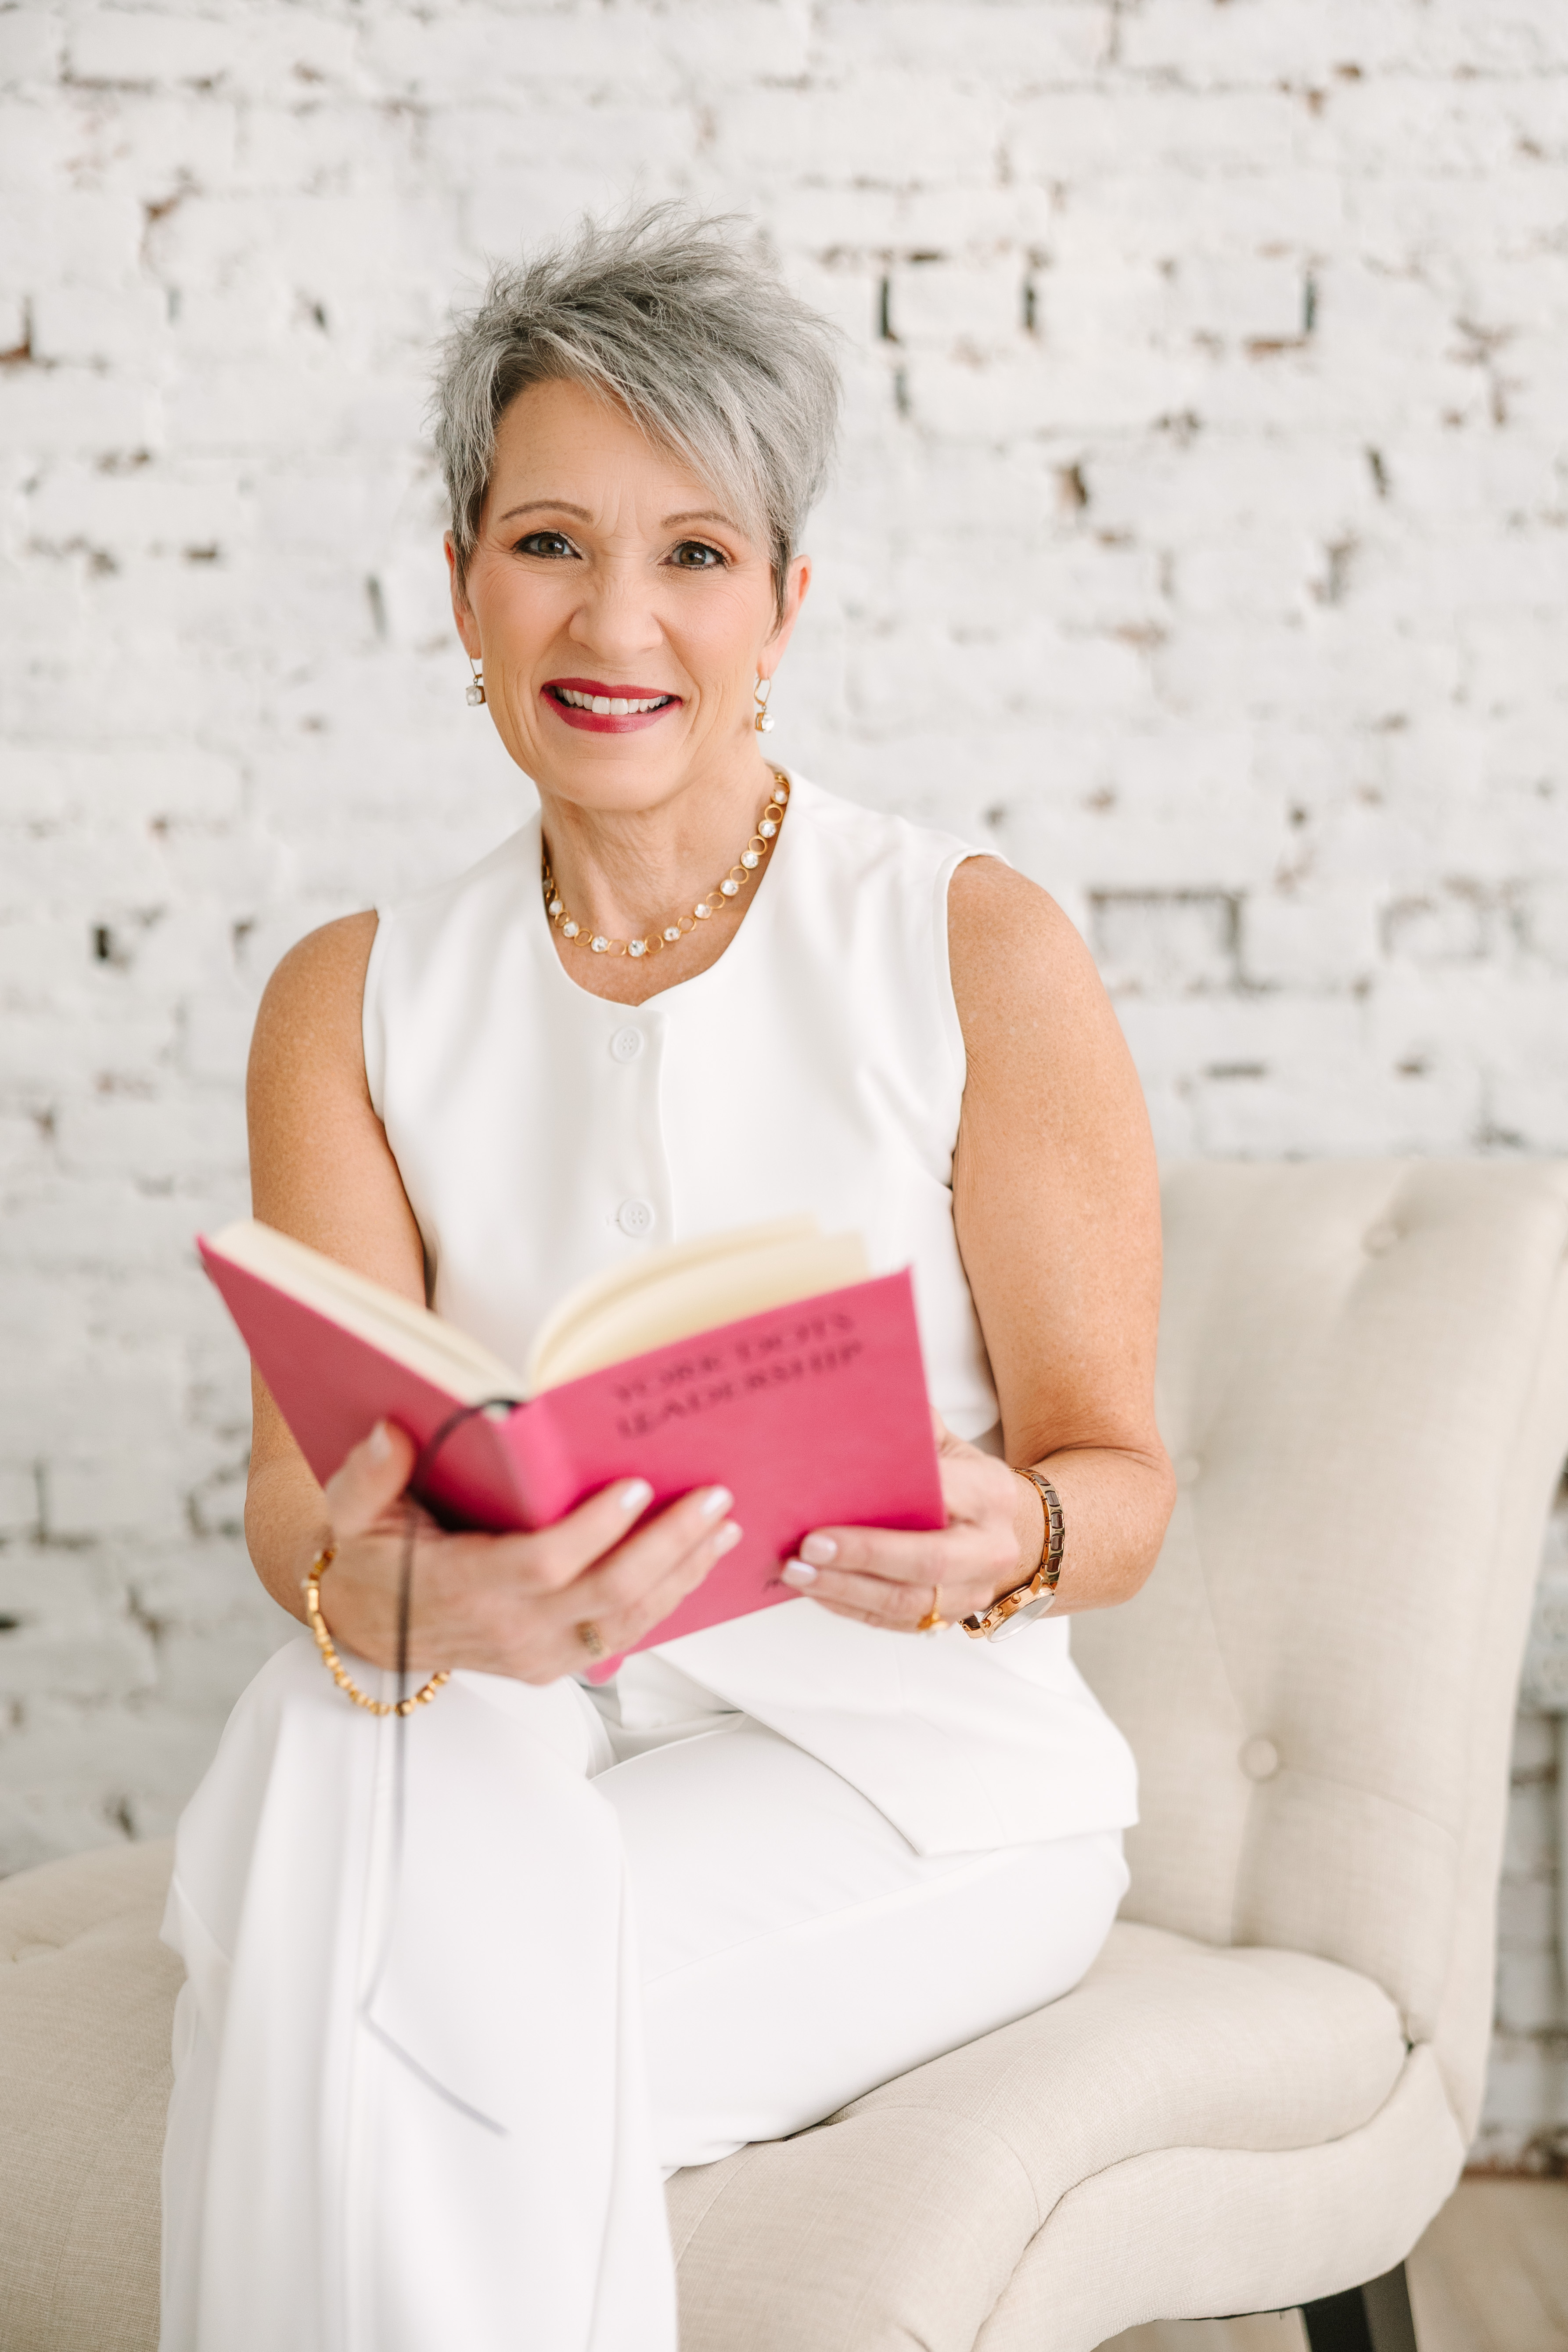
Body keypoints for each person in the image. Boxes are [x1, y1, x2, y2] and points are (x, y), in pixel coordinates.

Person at [158, 207, 1175, 2352]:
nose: (613, 617)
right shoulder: (349, 996)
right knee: (352, 1787)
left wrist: (1016, 1533)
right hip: (530, 1719)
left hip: (920, 1776)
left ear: (786, 602)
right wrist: (415, 1594)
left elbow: (1118, 1480)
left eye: (695, 553)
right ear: (457, 582)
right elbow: (299, 1507)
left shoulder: (969, 942)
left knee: (387, 2015)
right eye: (547, 541)